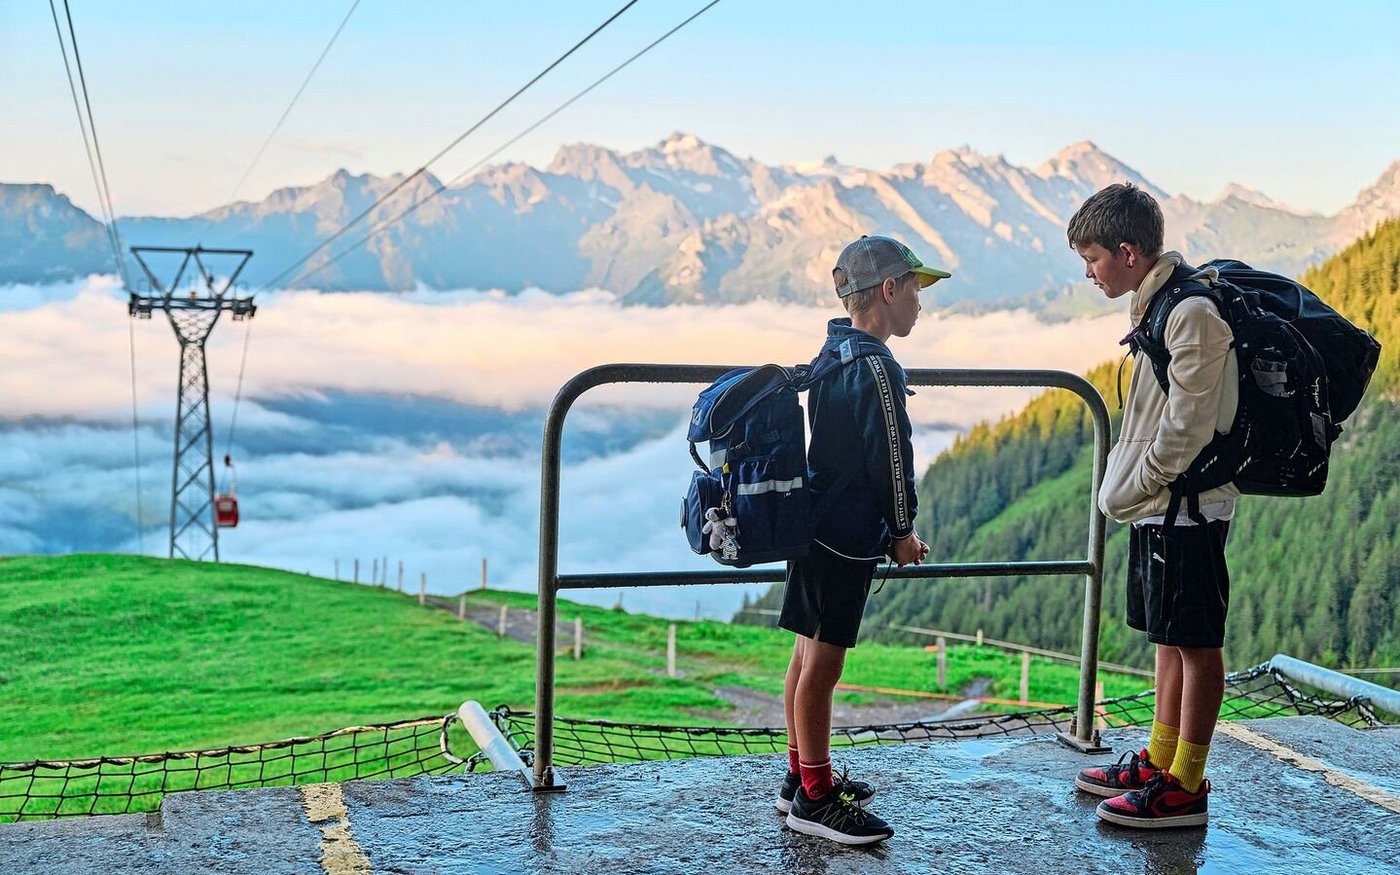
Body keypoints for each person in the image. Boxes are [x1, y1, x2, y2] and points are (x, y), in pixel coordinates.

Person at [1067, 183, 1239, 828]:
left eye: (1093, 259)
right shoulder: (1158, 304)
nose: (1089, 273)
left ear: (1129, 250)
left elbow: (1187, 424)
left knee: (1196, 642)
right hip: (1162, 505)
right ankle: (1162, 759)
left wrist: (1142, 481)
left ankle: (1186, 785)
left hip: (1186, 505)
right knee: (1169, 639)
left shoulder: (1189, 312)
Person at [778, 234, 942, 846]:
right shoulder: (876, 366)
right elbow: (892, 461)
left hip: (812, 523)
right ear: (890, 291)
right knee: (824, 665)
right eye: (917, 291)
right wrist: (901, 533)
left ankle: (801, 777)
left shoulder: (834, 351)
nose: (922, 305)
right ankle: (816, 800)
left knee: (804, 655)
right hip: (846, 534)